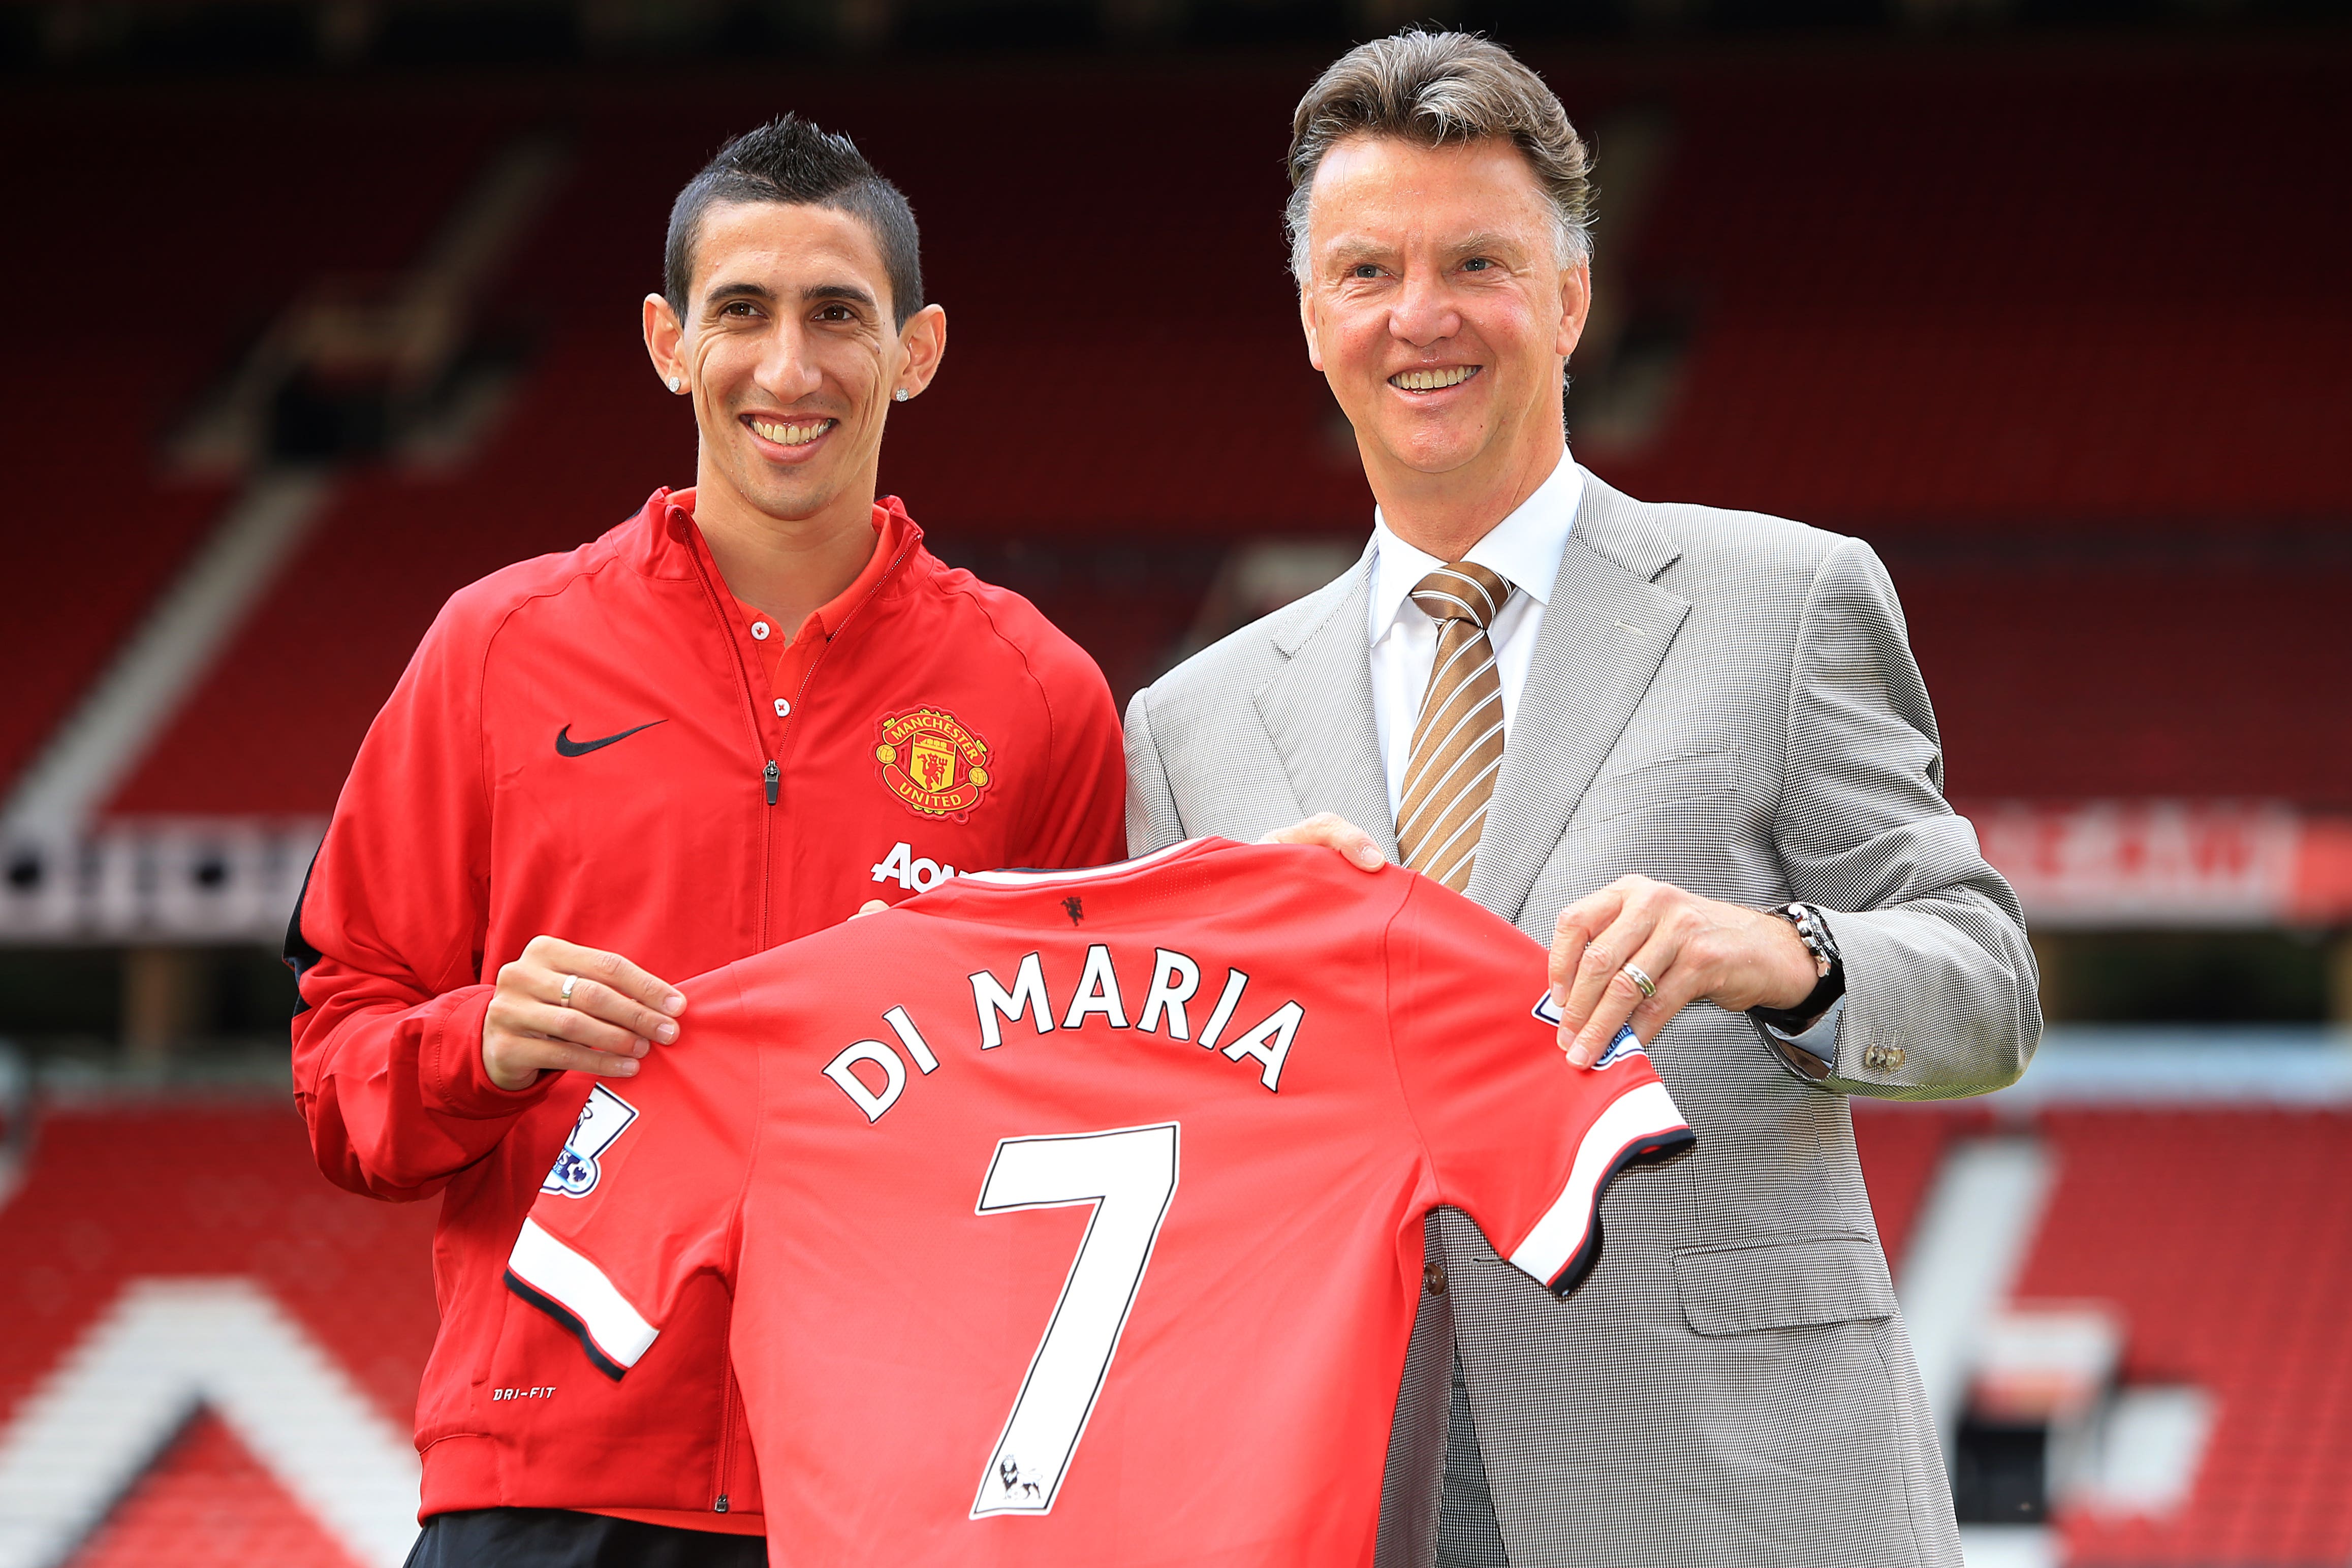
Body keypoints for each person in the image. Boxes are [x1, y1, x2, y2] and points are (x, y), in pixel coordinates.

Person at [1123, 32, 2040, 1568]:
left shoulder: (1784, 600)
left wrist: (1789, 956)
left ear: (1570, 301)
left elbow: (1990, 985)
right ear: (1309, 319)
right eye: (1366, 272)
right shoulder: (1189, 726)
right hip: (1367, 1494)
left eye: (1476, 261)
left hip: (1734, 1498)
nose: (1420, 318)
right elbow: (1177, 1142)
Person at [288, 114, 1125, 1567]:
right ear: (669, 340)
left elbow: (1087, 1090)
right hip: (543, 1480)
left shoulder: (1040, 694)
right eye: (742, 312)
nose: (787, 370)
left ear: (918, 350)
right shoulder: (496, 650)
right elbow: (335, 1064)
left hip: (892, 1488)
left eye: (837, 317)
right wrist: (483, 1041)